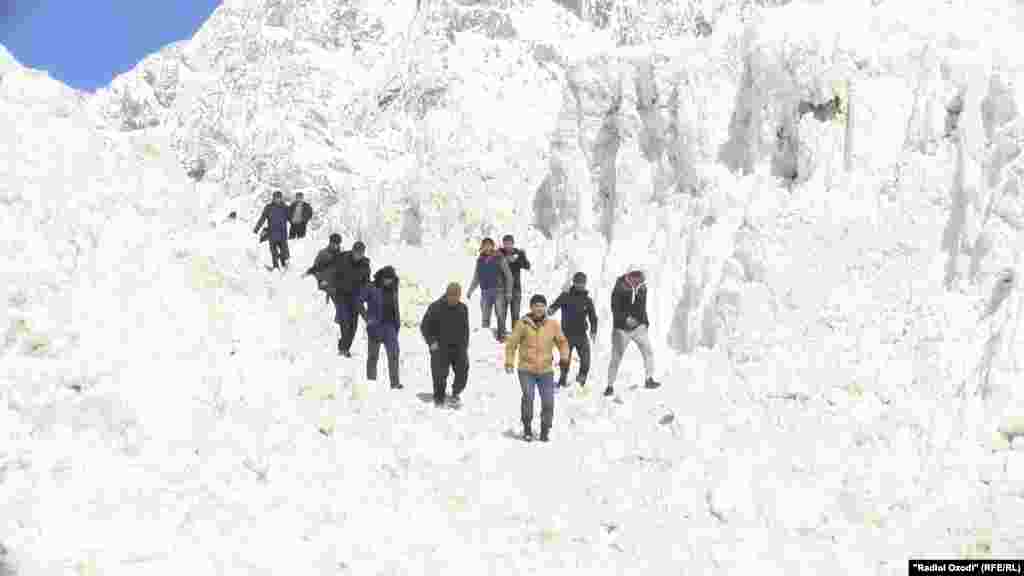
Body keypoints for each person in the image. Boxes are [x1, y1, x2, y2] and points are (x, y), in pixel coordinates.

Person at [505, 294, 570, 442]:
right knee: (528, 397)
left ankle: (545, 429)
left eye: (542, 305)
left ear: (545, 307)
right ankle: (527, 427)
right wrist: (509, 362)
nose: (539, 308)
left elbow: (562, 342)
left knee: (548, 401)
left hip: (546, 370)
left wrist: (564, 357)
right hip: (526, 369)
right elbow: (511, 344)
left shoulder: (552, 325)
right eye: (536, 305)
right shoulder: (522, 324)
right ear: (531, 308)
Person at [606, 266, 661, 396]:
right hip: (621, 329)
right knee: (616, 358)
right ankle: (609, 386)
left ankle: (649, 379)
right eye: (639, 279)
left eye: (642, 280)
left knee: (648, 352)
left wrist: (645, 322)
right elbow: (615, 308)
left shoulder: (642, 287)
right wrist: (625, 319)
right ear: (630, 277)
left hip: (639, 328)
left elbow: (642, 307)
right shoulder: (619, 288)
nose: (641, 282)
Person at [420, 282, 470, 407]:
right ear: (447, 295)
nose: (454, 299)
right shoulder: (435, 307)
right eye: (452, 296)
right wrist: (431, 342)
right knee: (439, 375)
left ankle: (456, 392)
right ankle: (439, 398)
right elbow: (424, 326)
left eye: (457, 296)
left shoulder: (463, 308)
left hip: (458, 347)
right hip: (440, 347)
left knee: (463, 371)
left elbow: (465, 329)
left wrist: (464, 345)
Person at [547, 271, 598, 388]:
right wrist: (551, 310)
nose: (580, 285)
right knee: (565, 360)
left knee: (586, 360)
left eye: (582, 283)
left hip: (582, 335)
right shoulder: (565, 296)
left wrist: (593, 330)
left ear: (585, 284)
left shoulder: (587, 300)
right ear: (573, 283)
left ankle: (581, 381)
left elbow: (593, 317)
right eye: (578, 282)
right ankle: (562, 379)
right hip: (567, 335)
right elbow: (554, 306)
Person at [358, 266, 402, 389]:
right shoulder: (371, 287)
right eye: (386, 279)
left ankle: (395, 384)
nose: (388, 281)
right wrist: (367, 318)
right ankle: (371, 383)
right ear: (382, 278)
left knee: (394, 354)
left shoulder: (394, 287)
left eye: (390, 279)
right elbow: (358, 301)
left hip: (390, 326)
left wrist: (397, 323)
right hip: (375, 326)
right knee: (373, 356)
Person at [466, 238, 514, 342]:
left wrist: (509, 292)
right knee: (485, 317)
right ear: (482, 247)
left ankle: (502, 336)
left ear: (493, 246)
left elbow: (509, 276)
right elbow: (476, 278)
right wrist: (470, 290)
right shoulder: (480, 260)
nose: (487, 247)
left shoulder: (499, 257)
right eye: (485, 245)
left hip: (498, 291)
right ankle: (485, 339)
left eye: (489, 245)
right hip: (485, 293)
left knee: (500, 315)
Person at [333, 241, 372, 357]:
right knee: (345, 324)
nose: (359, 255)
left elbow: (366, 282)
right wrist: (335, 288)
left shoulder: (365, 265)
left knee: (353, 326)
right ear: (353, 251)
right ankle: (343, 350)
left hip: (355, 298)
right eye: (357, 253)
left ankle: (344, 347)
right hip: (342, 296)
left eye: (361, 253)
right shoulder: (343, 259)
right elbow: (334, 275)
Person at [498, 234, 531, 333]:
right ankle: (501, 334)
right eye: (505, 243)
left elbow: (527, 266)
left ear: (513, 244)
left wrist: (519, 258)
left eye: (509, 243)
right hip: (502, 289)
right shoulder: (499, 253)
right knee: (501, 314)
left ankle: (515, 335)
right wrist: (504, 259)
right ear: (503, 244)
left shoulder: (519, 253)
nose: (507, 246)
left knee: (515, 314)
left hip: (516, 289)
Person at [253, 190, 290, 269]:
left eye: (279, 198)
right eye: (276, 198)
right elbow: (262, 218)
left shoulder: (286, 208)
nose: (277, 199)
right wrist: (256, 229)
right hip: (272, 234)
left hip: (282, 234)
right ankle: (276, 267)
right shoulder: (268, 207)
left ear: (281, 198)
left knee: (285, 252)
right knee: (274, 253)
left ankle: (284, 266)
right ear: (273, 198)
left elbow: (291, 219)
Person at [304, 233, 343, 305]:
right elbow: (315, 269)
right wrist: (320, 280)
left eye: (337, 243)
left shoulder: (342, 257)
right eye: (333, 242)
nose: (334, 245)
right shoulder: (322, 253)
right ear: (330, 242)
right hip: (323, 287)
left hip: (336, 288)